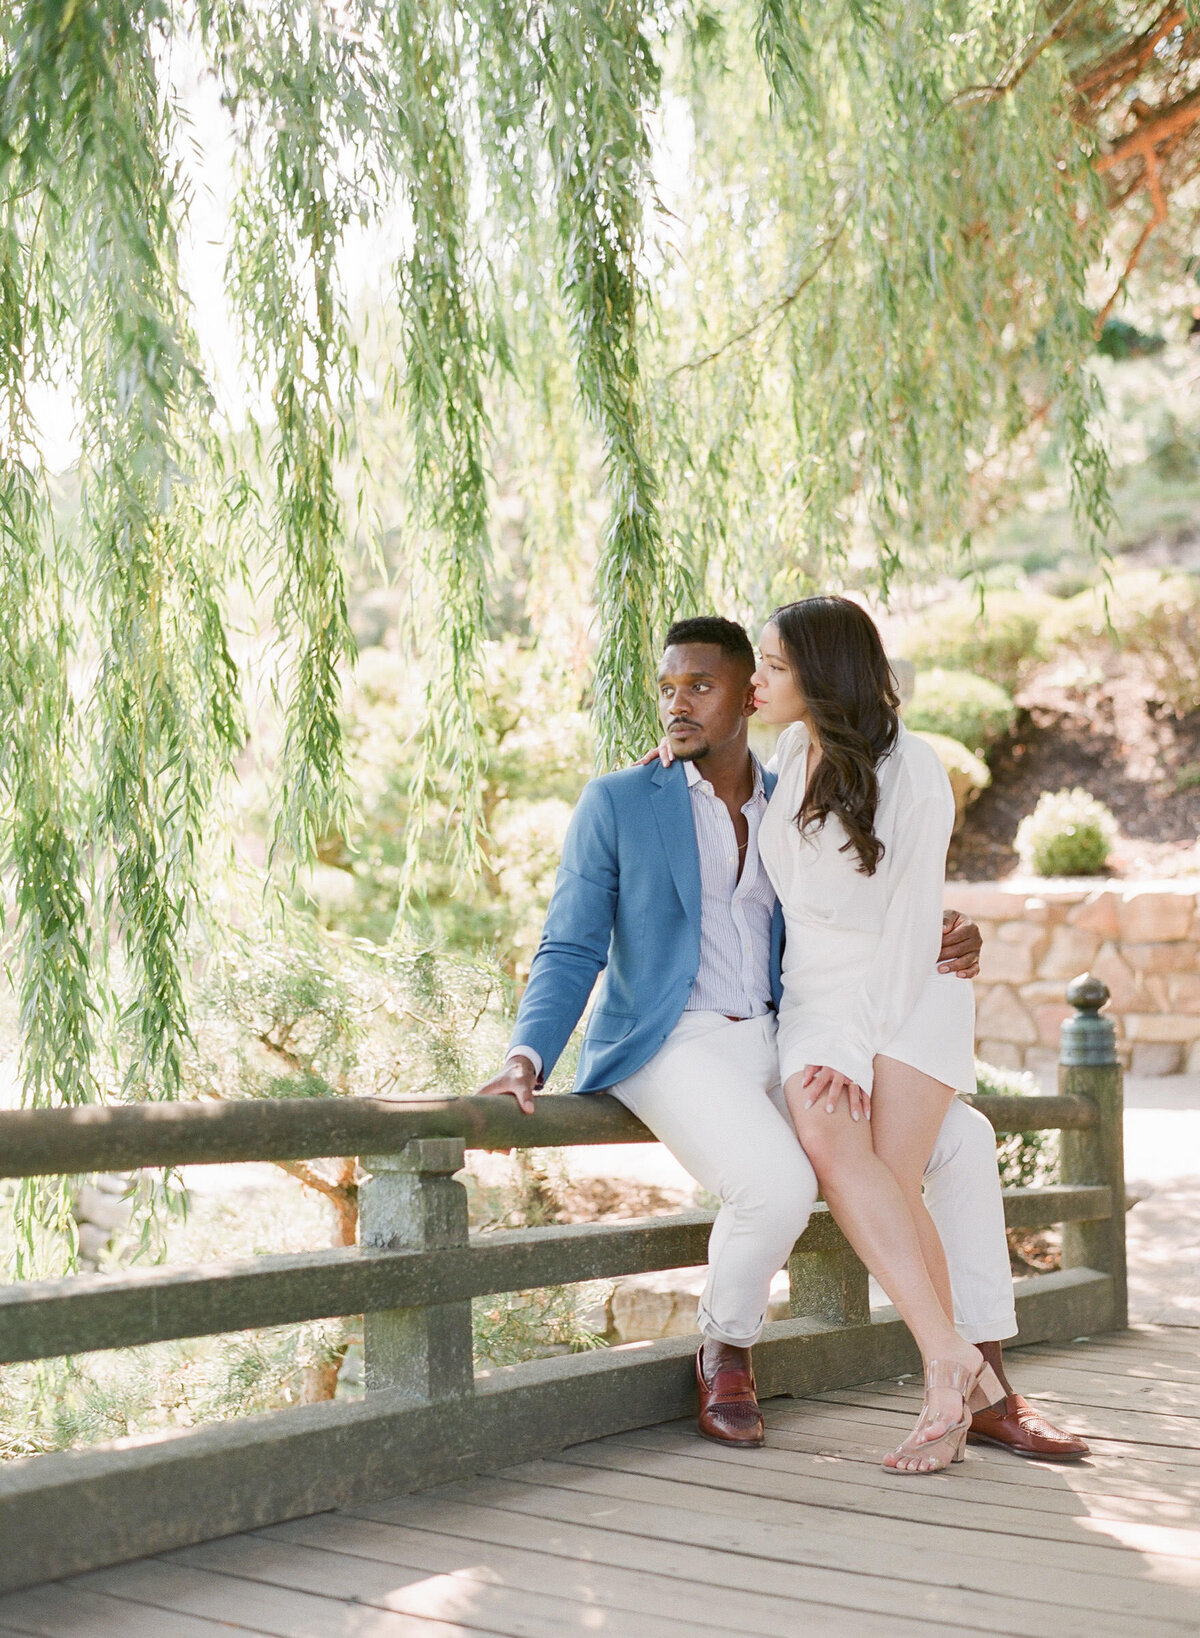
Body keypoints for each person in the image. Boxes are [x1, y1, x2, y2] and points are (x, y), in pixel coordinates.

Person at [478, 615, 1088, 1461]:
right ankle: (726, 1351)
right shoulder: (620, 800)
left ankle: (983, 1379)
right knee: (776, 1181)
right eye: (668, 688)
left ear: (746, 694)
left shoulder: (794, 783)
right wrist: (526, 1056)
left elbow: (865, 897)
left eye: (703, 685)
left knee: (964, 1141)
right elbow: (571, 943)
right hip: (673, 1038)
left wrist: (944, 933)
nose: (677, 703)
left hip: (780, 1028)